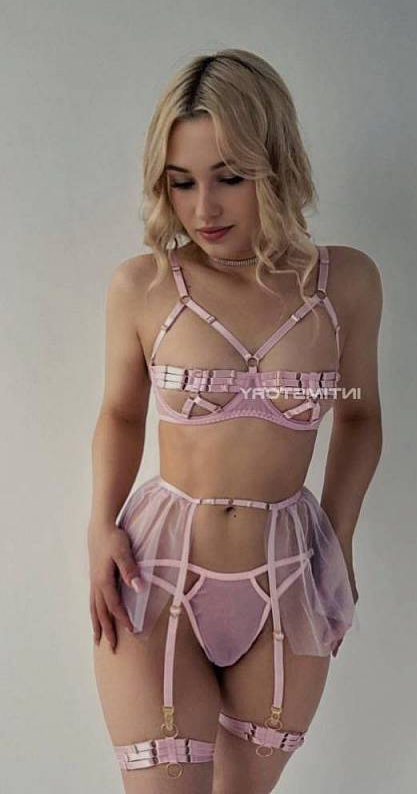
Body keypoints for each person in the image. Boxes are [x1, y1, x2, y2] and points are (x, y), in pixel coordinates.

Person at [88, 48, 383, 794]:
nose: (203, 209)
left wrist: (339, 540)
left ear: (275, 165)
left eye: (229, 178)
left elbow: (359, 417)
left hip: (291, 573)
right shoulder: (145, 286)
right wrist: (98, 526)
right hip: (156, 571)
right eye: (181, 182)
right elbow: (120, 413)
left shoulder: (345, 282)